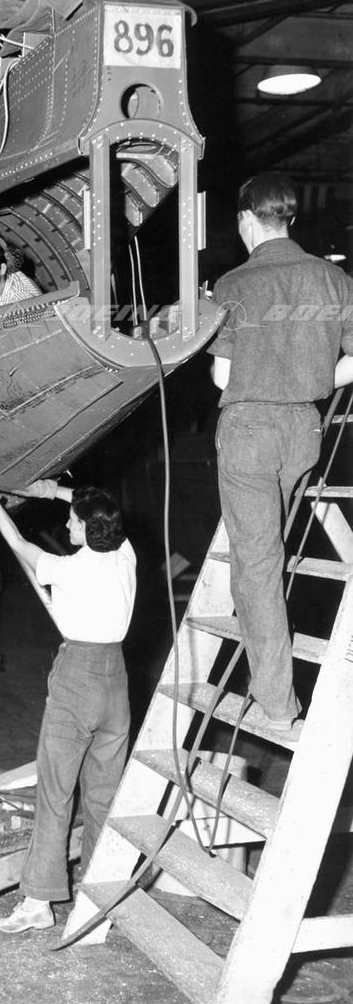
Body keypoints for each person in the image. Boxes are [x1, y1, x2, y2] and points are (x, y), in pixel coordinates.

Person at [209, 172, 353, 736]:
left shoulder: (235, 283)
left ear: (247, 218)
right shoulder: (333, 278)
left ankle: (276, 700)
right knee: (267, 549)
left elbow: (223, 378)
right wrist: (311, 378)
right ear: (288, 217)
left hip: (250, 429)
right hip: (304, 432)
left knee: (258, 564)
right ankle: (269, 668)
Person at [0, 478, 136, 934]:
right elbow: (102, 508)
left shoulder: (68, 568)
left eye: (73, 522)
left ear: (86, 529)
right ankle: (99, 901)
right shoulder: (125, 555)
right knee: (102, 797)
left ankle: (38, 902)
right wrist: (54, 492)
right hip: (116, 682)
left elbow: (19, 545)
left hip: (78, 678)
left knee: (55, 795)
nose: (67, 525)